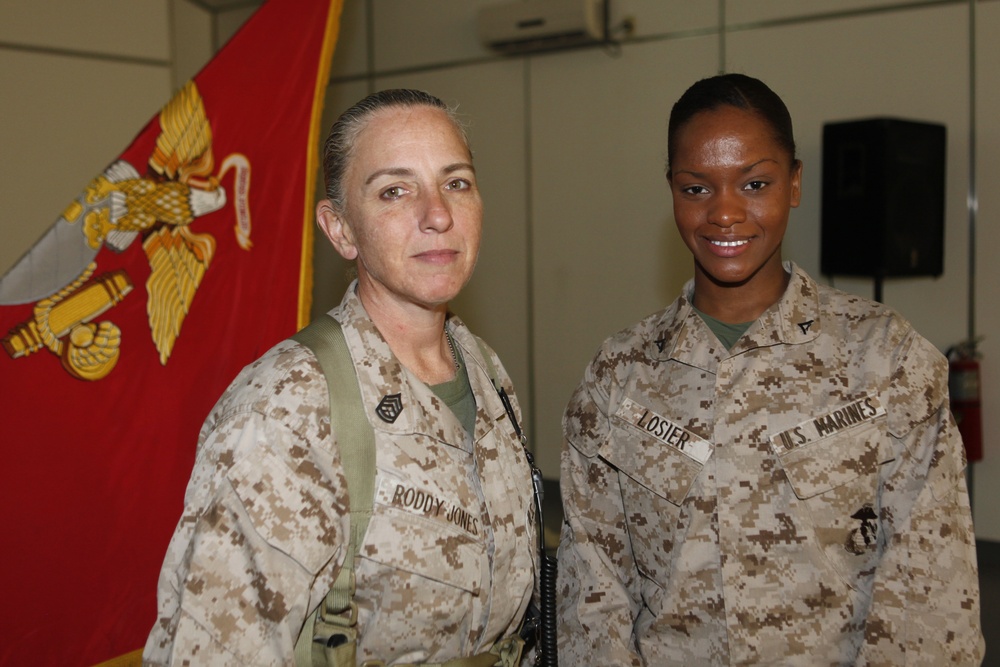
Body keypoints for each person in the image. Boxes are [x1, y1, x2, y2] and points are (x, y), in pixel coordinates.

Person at [556, 73, 984, 665]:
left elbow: (931, 595)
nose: (725, 213)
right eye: (696, 188)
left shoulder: (884, 360)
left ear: (795, 183)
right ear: (672, 191)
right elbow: (592, 596)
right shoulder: (620, 376)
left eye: (755, 182)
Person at [144, 89, 537, 666]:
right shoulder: (289, 406)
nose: (438, 215)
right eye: (394, 191)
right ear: (341, 229)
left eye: (456, 183)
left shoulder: (485, 371)